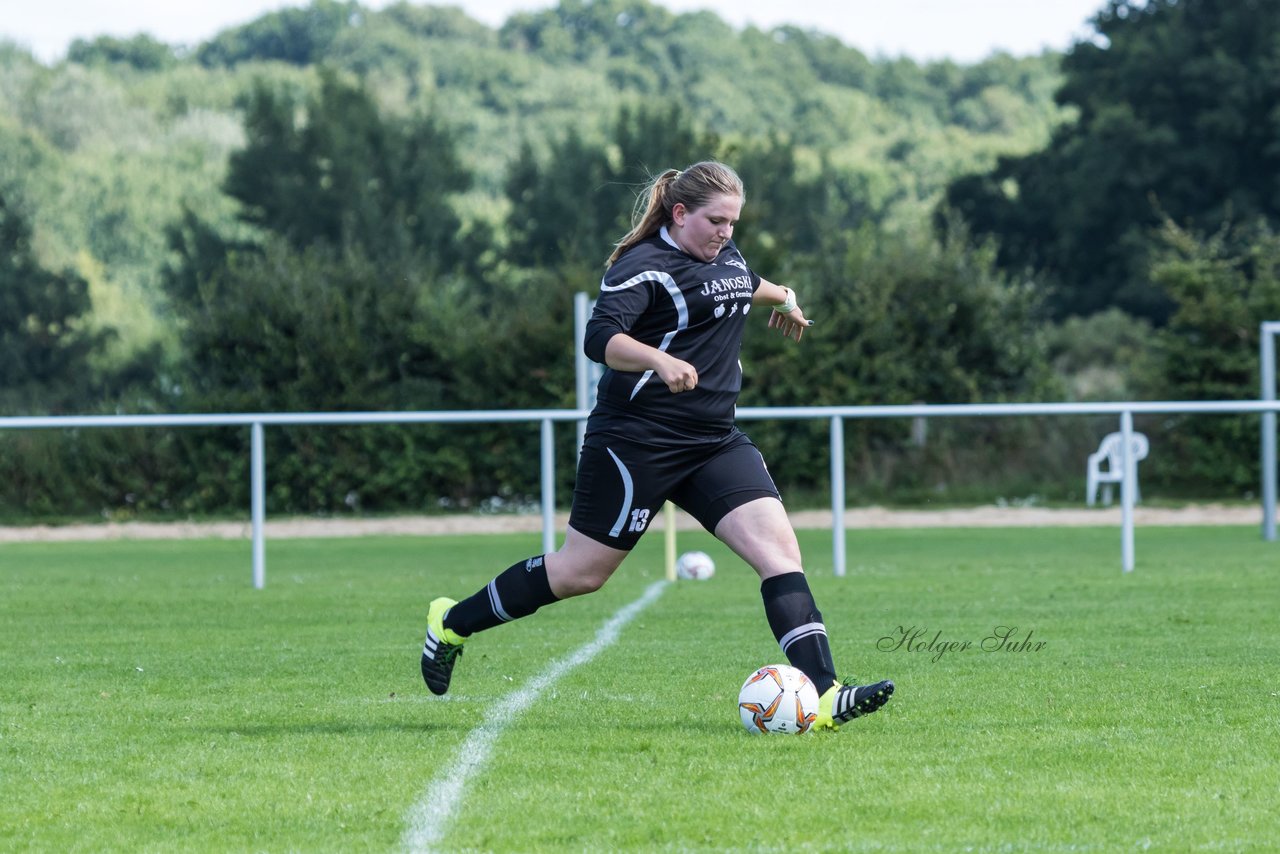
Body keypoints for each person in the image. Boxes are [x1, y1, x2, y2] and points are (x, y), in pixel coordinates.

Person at [421, 161, 893, 730]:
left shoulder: (728, 257)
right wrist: (659, 358)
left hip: (714, 442)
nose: (726, 232)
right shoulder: (642, 267)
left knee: (780, 556)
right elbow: (600, 338)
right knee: (580, 575)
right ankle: (451, 623)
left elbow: (747, 284)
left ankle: (824, 695)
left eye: (733, 223)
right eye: (716, 220)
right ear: (679, 214)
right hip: (635, 442)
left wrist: (786, 296)